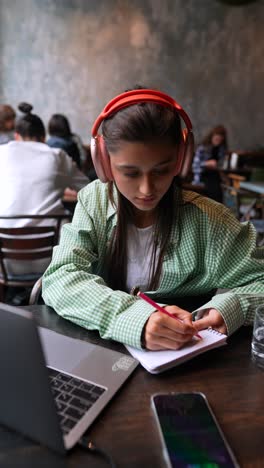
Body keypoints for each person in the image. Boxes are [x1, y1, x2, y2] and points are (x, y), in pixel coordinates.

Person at [42, 88, 264, 351]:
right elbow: (60, 277)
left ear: (181, 158)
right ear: (104, 161)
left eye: (161, 170)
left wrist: (230, 308)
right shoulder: (93, 203)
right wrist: (136, 320)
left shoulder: (211, 220)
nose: (147, 189)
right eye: (130, 173)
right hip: (101, 354)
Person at [0, 102, 89, 228]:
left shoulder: (2, 152)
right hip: (50, 243)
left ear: (16, 136)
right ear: (43, 138)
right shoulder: (57, 156)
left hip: (6, 241)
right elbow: (87, 189)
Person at [192, 125, 228, 202]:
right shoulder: (202, 148)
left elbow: (221, 165)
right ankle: (214, 207)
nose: (218, 141)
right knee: (215, 187)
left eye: (220, 140)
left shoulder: (222, 149)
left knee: (225, 186)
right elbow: (195, 166)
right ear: (212, 136)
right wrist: (206, 163)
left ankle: (219, 208)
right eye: (216, 139)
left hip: (216, 175)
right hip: (203, 175)